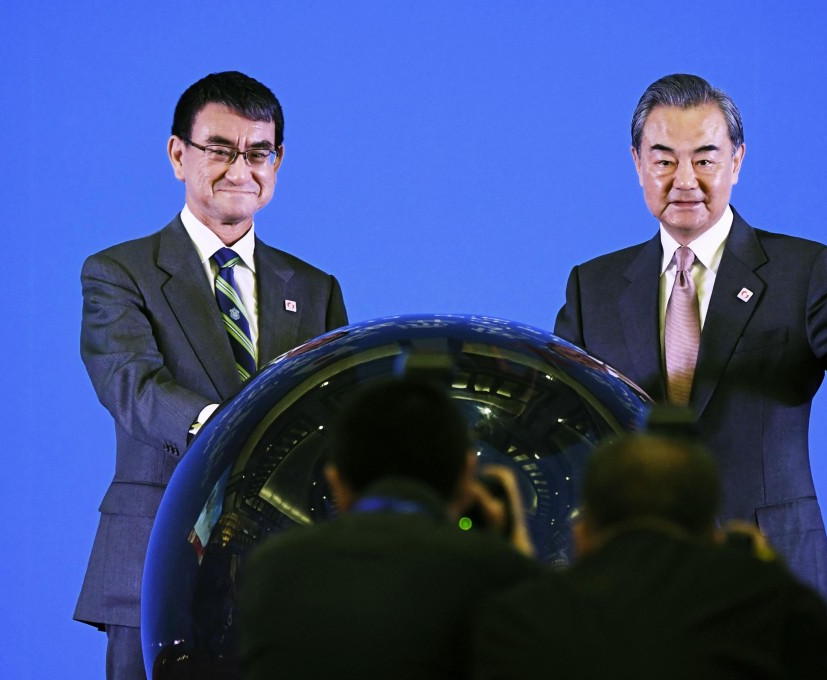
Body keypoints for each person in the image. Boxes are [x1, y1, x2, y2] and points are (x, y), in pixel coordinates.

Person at [554, 73, 827, 652]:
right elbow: (567, 430)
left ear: (738, 160)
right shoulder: (593, 287)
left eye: (705, 159)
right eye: (664, 161)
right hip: (632, 590)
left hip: (769, 579)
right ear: (636, 162)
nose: (685, 181)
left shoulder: (801, 270)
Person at [73, 71, 349, 679]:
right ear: (178, 155)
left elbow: (332, 413)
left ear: (277, 162)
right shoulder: (120, 272)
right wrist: (228, 430)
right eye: (219, 149)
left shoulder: (314, 287)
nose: (239, 169)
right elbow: (130, 386)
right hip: (155, 556)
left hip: (281, 568)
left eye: (258, 152)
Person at [472, 434, 827, 679]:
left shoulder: (523, 619)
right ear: (714, 535)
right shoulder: (775, 610)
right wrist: (769, 577)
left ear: (582, 535)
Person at [238, 379, 540, 679]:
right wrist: (515, 549)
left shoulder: (272, 569)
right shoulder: (502, 575)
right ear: (466, 478)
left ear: (338, 486)